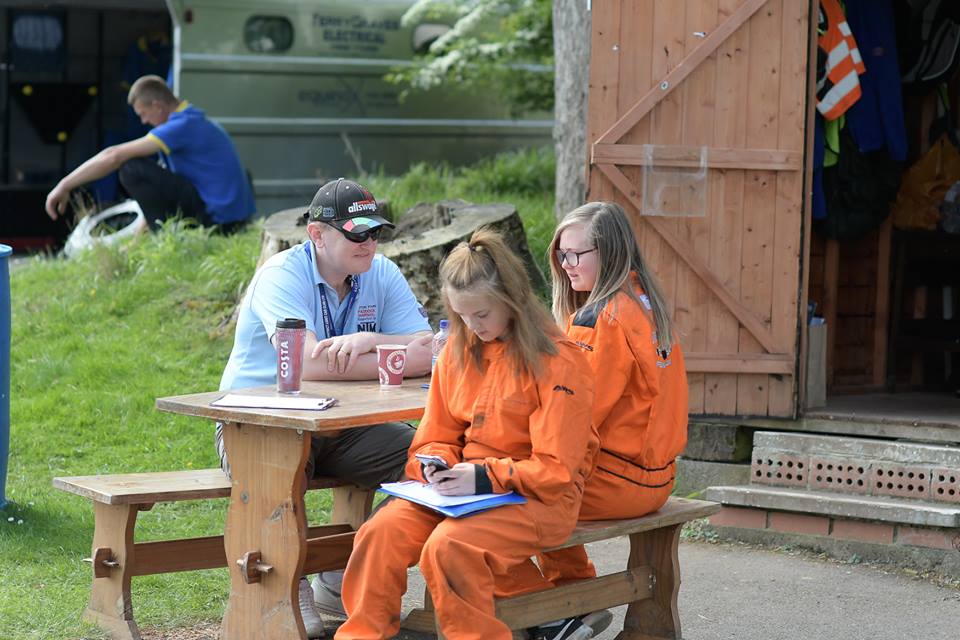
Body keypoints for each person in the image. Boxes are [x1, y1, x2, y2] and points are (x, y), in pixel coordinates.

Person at [335, 229, 601, 640]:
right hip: (464, 490)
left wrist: (481, 477)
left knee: (449, 548)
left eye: (482, 315)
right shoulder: (456, 354)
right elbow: (432, 437)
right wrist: (436, 465)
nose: (472, 326)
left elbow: (556, 471)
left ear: (511, 302)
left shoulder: (559, 360)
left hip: (538, 498)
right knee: (379, 533)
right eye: (461, 315)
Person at [217, 178, 433, 638]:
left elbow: (431, 350)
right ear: (318, 234)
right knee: (283, 468)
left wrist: (368, 342)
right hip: (259, 428)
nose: (369, 242)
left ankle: (345, 570)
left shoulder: (383, 272)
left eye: (375, 232)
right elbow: (306, 363)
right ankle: (287, 581)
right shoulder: (281, 274)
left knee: (429, 459)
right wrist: (387, 357)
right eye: (357, 233)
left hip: (345, 426)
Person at [538, 200, 688, 585]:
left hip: (619, 483)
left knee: (510, 491)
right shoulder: (646, 303)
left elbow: (573, 419)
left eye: (575, 254)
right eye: (561, 253)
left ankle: (563, 597)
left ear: (610, 252)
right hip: (658, 478)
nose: (565, 263)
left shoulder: (599, 318)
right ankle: (565, 595)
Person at [45, 74, 254, 231]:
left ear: (158, 106)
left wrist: (65, 185)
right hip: (231, 217)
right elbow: (158, 197)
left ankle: (162, 236)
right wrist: (136, 239)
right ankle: (161, 235)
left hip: (219, 221)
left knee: (131, 167)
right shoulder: (191, 120)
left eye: (143, 114)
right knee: (146, 170)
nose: (144, 122)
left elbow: (113, 155)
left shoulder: (181, 126)